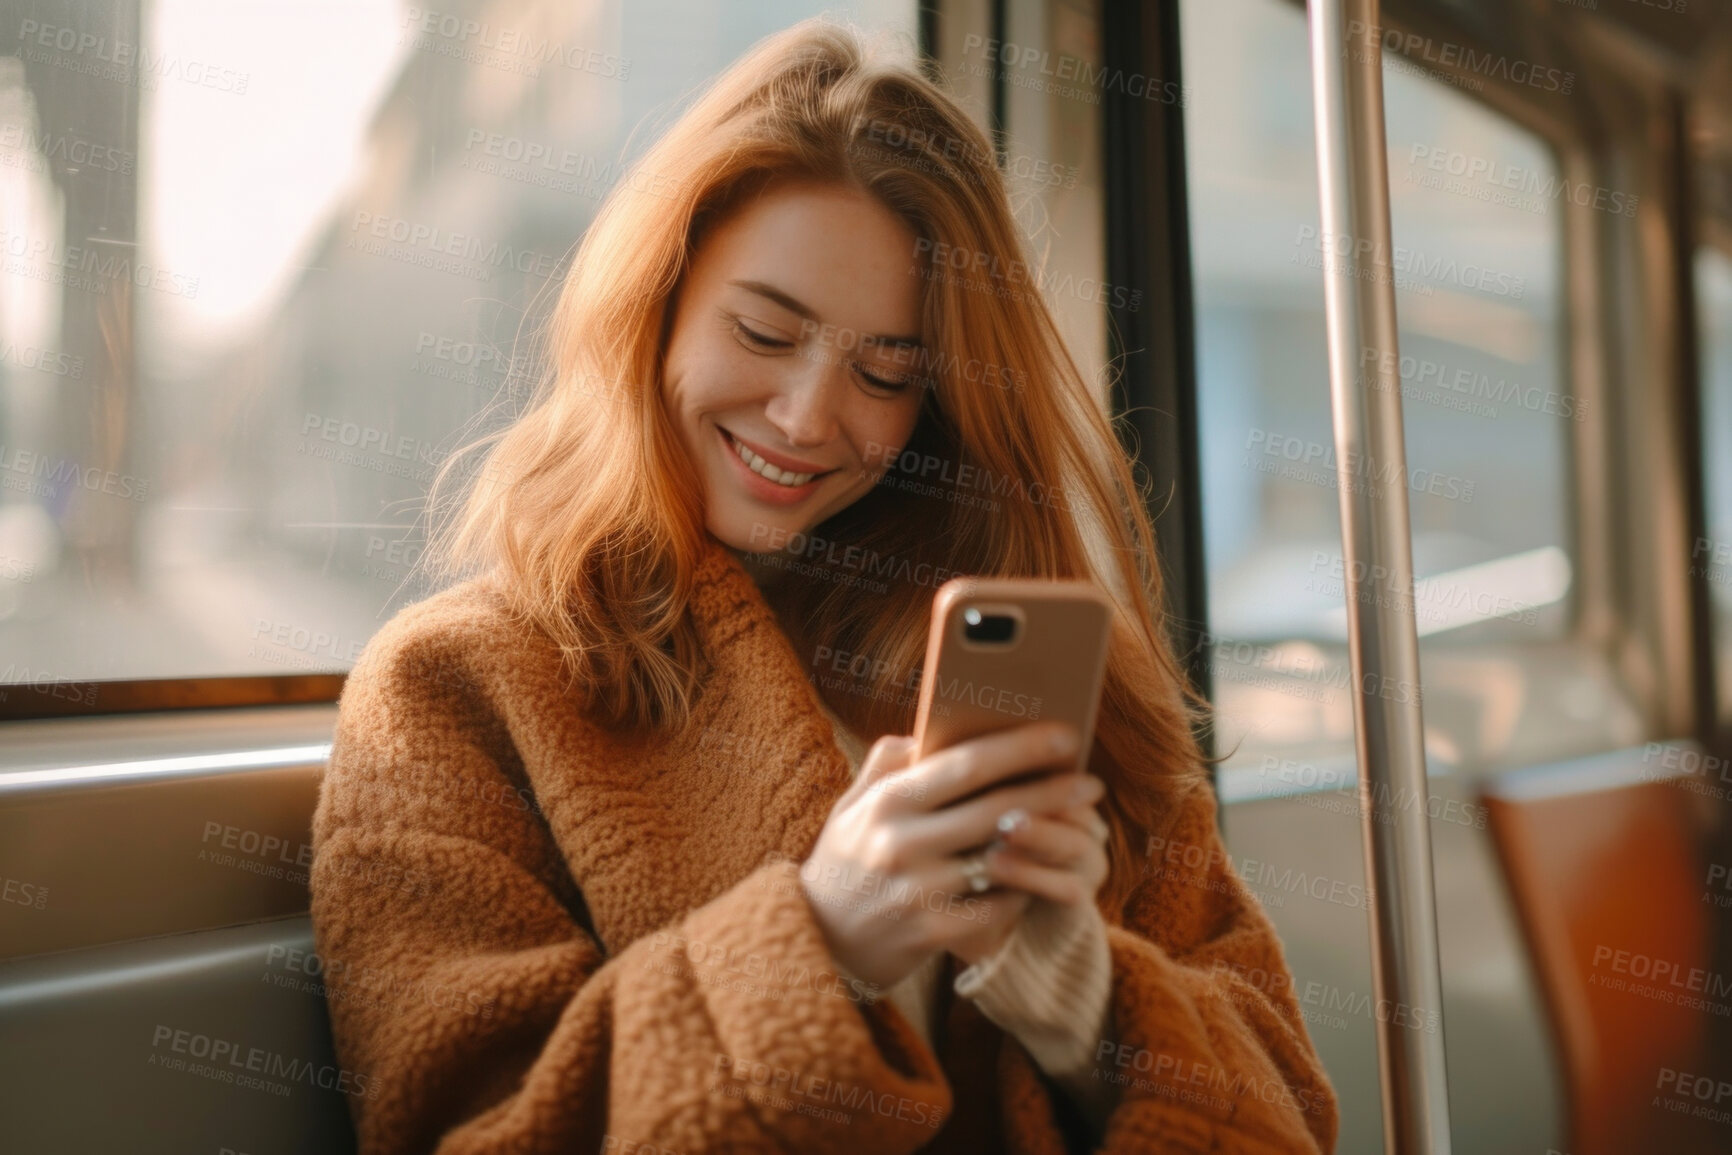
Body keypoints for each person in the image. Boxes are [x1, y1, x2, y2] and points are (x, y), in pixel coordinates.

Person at [310, 17, 1338, 1154]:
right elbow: (470, 1132)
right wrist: (824, 943)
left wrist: (1090, 1005)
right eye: (763, 330)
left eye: (885, 373)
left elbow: (1286, 1116)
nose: (808, 418)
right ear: (653, 305)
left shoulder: (1053, 689)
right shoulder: (455, 688)